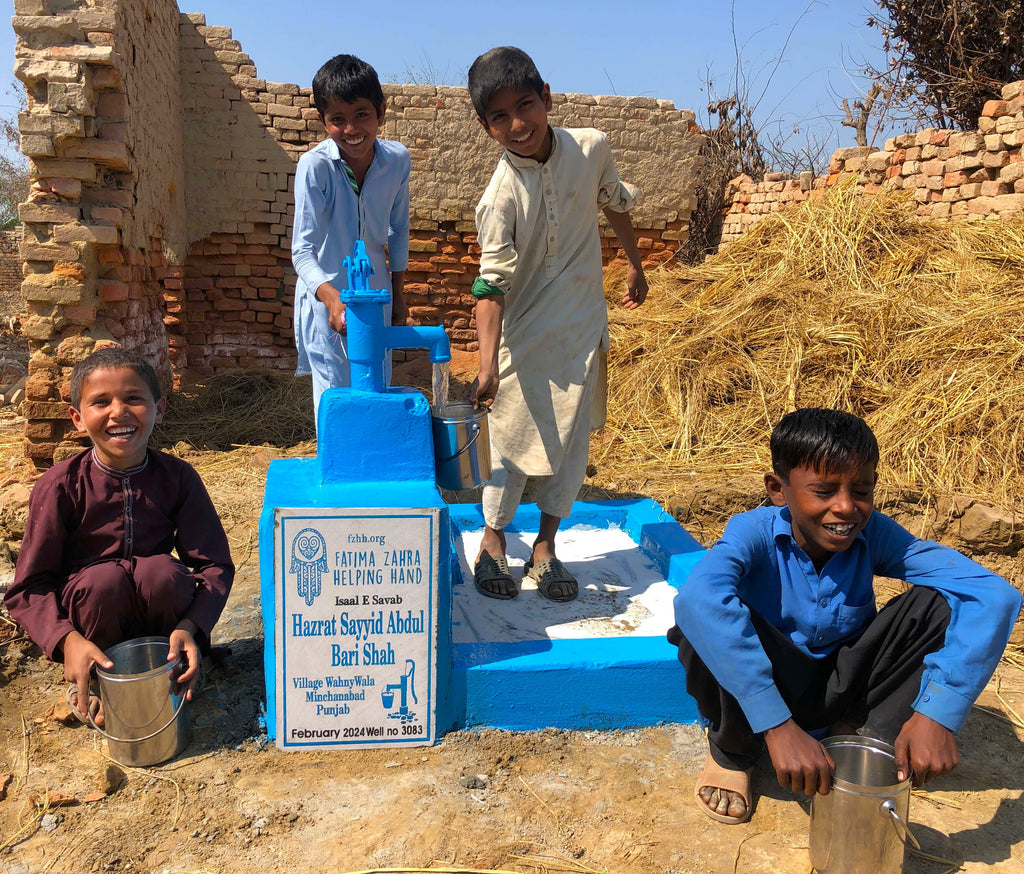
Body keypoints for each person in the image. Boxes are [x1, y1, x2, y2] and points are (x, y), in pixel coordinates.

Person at [668, 408, 1022, 824]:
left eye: (862, 491)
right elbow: (698, 600)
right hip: (771, 684)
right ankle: (733, 753)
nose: (846, 508)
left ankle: (854, 732)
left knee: (940, 602)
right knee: (701, 624)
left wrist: (938, 713)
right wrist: (777, 725)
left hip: (843, 682)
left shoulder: (873, 533)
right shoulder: (752, 532)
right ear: (778, 490)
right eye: (823, 491)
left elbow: (992, 594)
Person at [467, 46, 649, 602]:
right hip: (523, 340)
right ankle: (493, 544)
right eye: (500, 116)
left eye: (525, 105)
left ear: (546, 98)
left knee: (569, 447)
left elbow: (614, 200)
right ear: (486, 126)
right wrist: (485, 365)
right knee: (509, 444)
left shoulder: (590, 147)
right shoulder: (499, 197)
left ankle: (545, 548)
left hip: (581, 330)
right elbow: (489, 285)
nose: (517, 124)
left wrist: (635, 263)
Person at [5, 348, 235, 726]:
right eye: (100, 402)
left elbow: (213, 566)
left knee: (161, 572)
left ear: (159, 409)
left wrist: (191, 627)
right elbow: (28, 589)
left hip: (163, 621)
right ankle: (96, 682)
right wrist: (67, 641)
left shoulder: (177, 478)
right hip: (94, 620)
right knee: (103, 580)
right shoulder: (60, 485)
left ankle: (178, 667)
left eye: (133, 398)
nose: (118, 412)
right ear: (77, 419)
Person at [291, 53, 411, 425]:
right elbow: (302, 250)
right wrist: (331, 300)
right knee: (335, 399)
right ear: (323, 120)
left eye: (361, 115)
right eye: (337, 119)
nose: (351, 129)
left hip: (376, 296)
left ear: (381, 111)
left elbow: (398, 230)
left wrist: (399, 296)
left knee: (376, 388)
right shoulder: (315, 166)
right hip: (327, 296)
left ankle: (371, 475)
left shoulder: (397, 160)